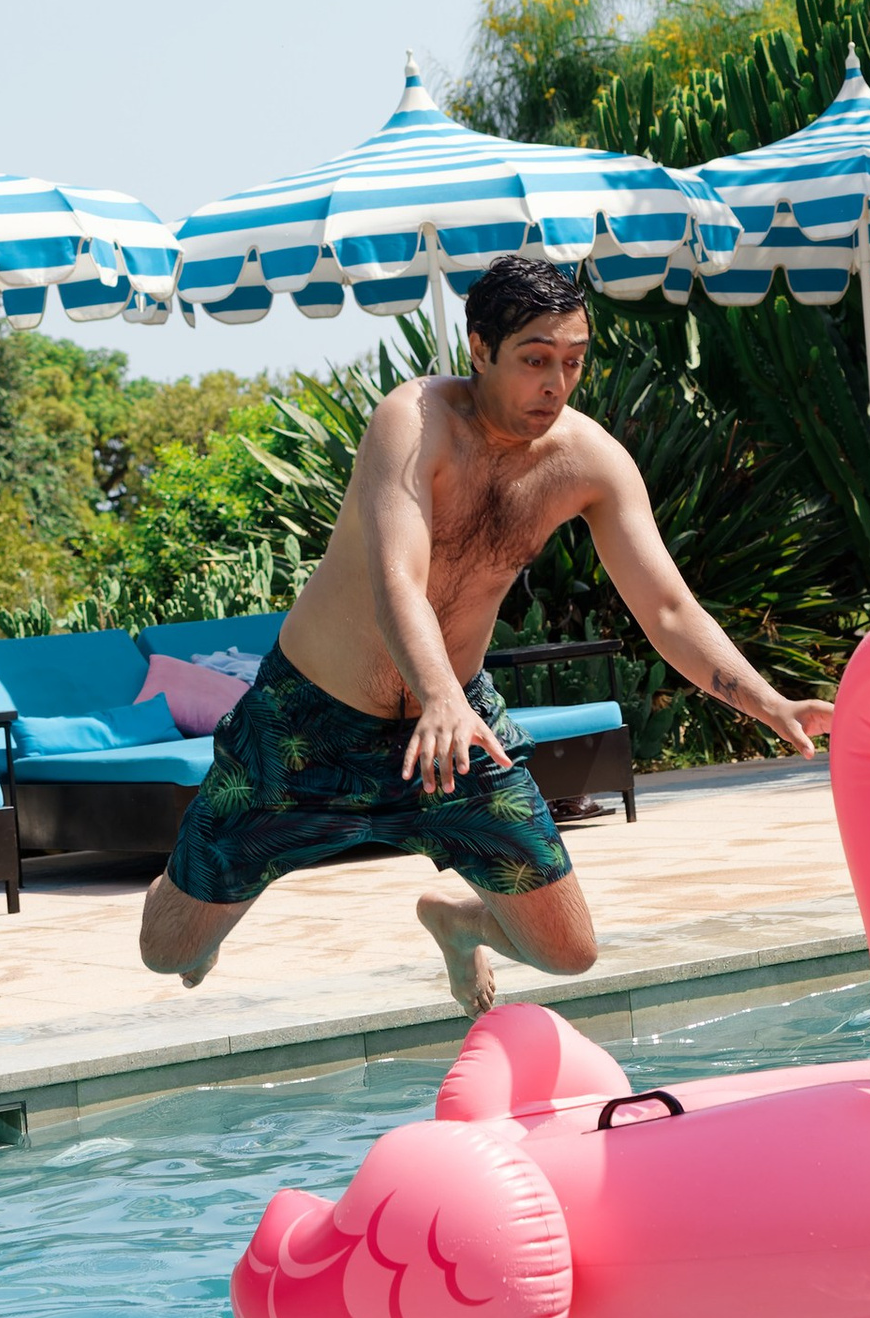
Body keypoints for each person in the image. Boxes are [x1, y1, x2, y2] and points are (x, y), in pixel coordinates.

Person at [139, 252, 834, 1016]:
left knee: (567, 953)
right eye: (536, 360)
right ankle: (211, 894)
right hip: (308, 725)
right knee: (168, 951)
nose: (556, 384)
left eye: (572, 362)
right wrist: (436, 693)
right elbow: (397, 578)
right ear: (479, 349)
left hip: (458, 727)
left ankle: (459, 921)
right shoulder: (415, 420)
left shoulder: (586, 460)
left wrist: (771, 703)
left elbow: (667, 611)